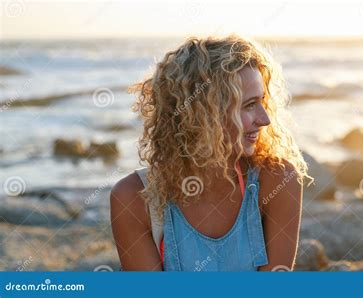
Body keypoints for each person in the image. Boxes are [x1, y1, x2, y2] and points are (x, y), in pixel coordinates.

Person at [110, 35, 311, 271]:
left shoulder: (277, 181)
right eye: (248, 105)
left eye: (262, 103)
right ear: (204, 115)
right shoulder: (133, 199)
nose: (265, 119)